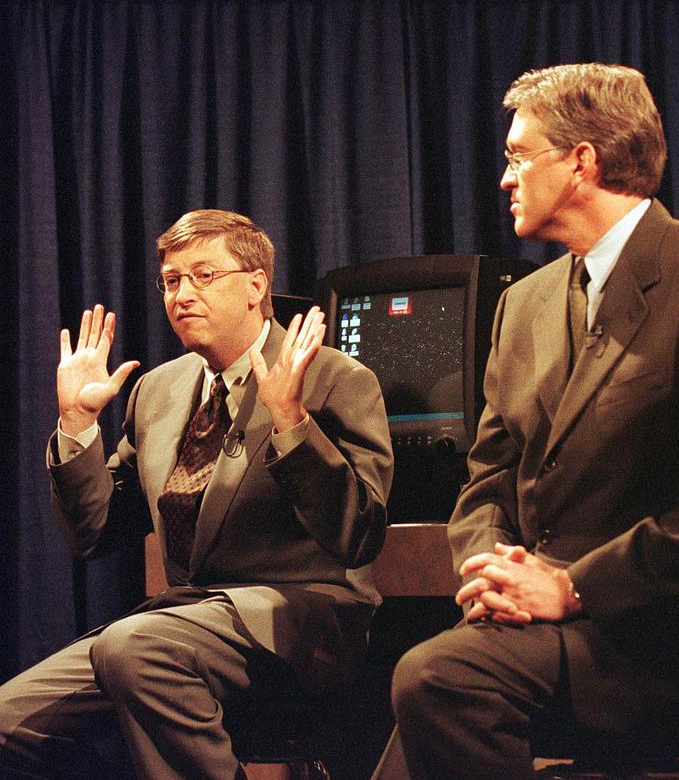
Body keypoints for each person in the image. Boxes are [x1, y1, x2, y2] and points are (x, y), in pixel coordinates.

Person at [371, 63, 679, 779]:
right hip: (531, 626)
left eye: (518, 156)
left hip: (656, 629)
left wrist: (572, 588)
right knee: (429, 693)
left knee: (436, 681)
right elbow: (488, 477)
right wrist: (488, 572)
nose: (505, 178)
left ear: (581, 162)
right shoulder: (523, 303)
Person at [0, 209, 393, 778]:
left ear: (256, 285)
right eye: (172, 281)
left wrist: (291, 424)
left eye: (203, 276)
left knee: (133, 649)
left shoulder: (333, 377)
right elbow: (94, 532)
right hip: (177, 622)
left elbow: (359, 535)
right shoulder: (157, 390)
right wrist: (77, 424)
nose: (182, 294)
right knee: (10, 723)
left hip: (302, 620)